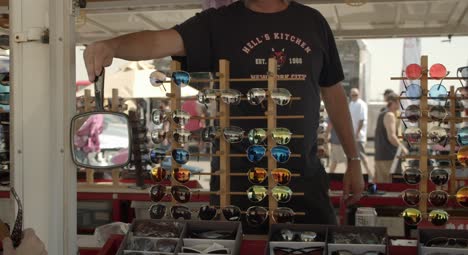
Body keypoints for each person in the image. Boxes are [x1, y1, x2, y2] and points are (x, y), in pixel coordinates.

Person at [83, 0, 364, 225]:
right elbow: (159, 41)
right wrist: (113, 45)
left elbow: (333, 92)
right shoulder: (219, 23)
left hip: (305, 181)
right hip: (237, 186)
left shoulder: (313, 22)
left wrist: (353, 159)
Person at [374, 93, 407, 183]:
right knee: (388, 186)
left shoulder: (383, 114)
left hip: (381, 155)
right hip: (389, 156)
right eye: (398, 102)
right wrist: (403, 148)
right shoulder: (390, 115)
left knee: (381, 185)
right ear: (393, 102)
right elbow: (391, 137)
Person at [348, 88, 373, 182]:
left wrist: (357, 133)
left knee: (362, 156)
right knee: (353, 158)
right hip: (352, 136)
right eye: (352, 95)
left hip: (358, 136)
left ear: (359, 95)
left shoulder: (361, 104)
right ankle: (355, 177)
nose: (354, 96)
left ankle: (371, 176)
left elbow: (362, 120)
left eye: (356, 95)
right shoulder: (351, 104)